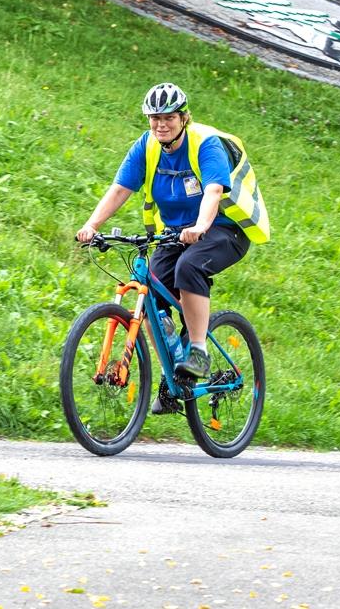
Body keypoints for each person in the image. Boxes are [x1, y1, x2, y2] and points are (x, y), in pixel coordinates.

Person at [76, 82, 267, 412]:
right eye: (154, 118)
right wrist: (92, 226)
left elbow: (212, 192)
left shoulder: (204, 144)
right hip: (176, 233)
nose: (161, 124)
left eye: (169, 117)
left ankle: (198, 352)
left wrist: (202, 227)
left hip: (224, 229)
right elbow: (120, 189)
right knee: (150, 288)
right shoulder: (146, 147)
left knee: (187, 268)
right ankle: (173, 375)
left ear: (183, 118)